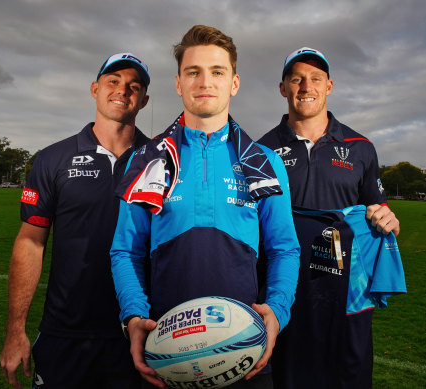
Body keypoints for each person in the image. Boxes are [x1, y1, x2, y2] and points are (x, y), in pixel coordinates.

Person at [109, 25, 300, 389]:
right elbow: (125, 251)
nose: (205, 82)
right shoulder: (147, 161)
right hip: (167, 356)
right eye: (193, 72)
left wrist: (277, 312)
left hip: (245, 354)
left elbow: (284, 248)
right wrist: (133, 317)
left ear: (235, 83)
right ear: (179, 83)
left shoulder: (264, 162)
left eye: (217, 71)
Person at [0, 52, 151, 389]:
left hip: (140, 332)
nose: (122, 91)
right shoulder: (54, 159)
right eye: (113, 81)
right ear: (95, 88)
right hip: (65, 333)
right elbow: (30, 242)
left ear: (144, 99)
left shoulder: (159, 160)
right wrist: (15, 330)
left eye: (134, 86)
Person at [258, 47, 404, 388]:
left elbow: (377, 209)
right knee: (286, 373)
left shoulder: (360, 147)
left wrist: (388, 221)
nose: (306, 86)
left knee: (346, 374)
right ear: (283, 88)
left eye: (315, 79)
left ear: (329, 86)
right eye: (296, 79)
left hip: (344, 292)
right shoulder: (260, 151)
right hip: (284, 286)